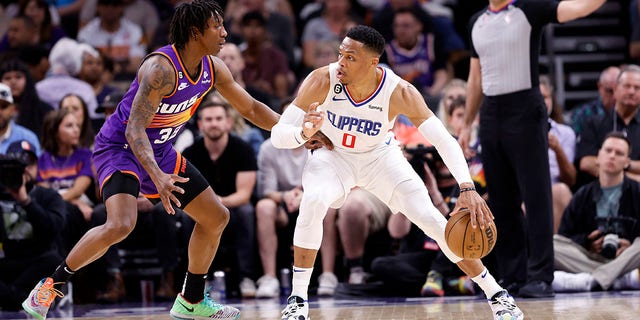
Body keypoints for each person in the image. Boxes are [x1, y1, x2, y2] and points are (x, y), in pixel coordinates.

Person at [21, 1, 280, 320]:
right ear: (196, 31)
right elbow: (134, 129)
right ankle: (49, 286)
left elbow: (251, 109)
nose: (226, 32)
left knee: (216, 217)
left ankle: (191, 301)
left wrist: (293, 128)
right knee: (120, 224)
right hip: (119, 147)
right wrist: (157, 175)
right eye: (218, 26)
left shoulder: (214, 67)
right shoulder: (160, 69)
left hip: (158, 149)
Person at [271, 25, 523, 320]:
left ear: (372, 62)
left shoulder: (398, 91)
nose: (341, 62)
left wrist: (467, 187)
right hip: (333, 157)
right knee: (312, 201)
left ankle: (497, 295)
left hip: (380, 158)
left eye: (350, 58)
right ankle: (298, 301)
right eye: (341, 53)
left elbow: (442, 139)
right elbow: (278, 135)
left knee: (431, 219)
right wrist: (303, 132)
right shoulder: (321, 79)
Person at [459, 0, 607, 298]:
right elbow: (475, 77)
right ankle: (512, 275)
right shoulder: (477, 21)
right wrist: (466, 123)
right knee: (502, 201)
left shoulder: (530, 9)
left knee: (536, 196)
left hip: (525, 110)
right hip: (490, 114)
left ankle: (541, 275)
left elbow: (576, 9)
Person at [552, 132, 640, 292]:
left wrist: (629, 244)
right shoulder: (582, 195)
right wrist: (588, 242)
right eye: (608, 151)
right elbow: (565, 235)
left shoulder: (636, 191)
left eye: (619, 153)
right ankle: (618, 279)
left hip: (626, 258)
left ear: (627, 162)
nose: (612, 156)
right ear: (598, 155)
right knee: (552, 244)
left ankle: (592, 280)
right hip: (589, 258)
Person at [0, 140, 66, 311]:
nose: (26, 169)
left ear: (37, 166)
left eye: (29, 164)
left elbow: (54, 228)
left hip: (39, 261)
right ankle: (23, 298)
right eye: (20, 166)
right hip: (10, 261)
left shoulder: (49, 196)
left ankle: (11, 297)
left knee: (55, 262)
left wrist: (26, 202)